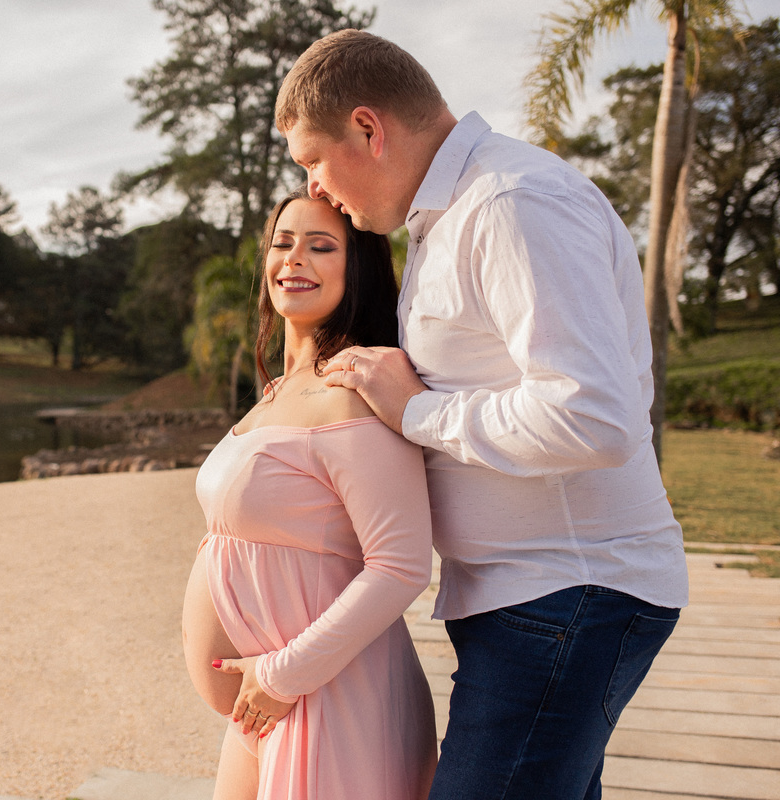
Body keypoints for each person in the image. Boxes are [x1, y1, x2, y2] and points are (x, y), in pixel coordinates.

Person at [274, 29, 690, 800]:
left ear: (368, 128)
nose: (317, 187)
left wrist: (420, 413)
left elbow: (596, 417)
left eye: (312, 161)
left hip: (569, 595)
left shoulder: (512, 203)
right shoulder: (451, 216)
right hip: (535, 601)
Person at [182, 189, 438, 800]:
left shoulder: (354, 389)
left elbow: (401, 566)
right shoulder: (280, 390)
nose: (294, 259)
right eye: (283, 243)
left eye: (322, 246)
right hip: (268, 705)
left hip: (326, 699)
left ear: (358, 272)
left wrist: (281, 676)